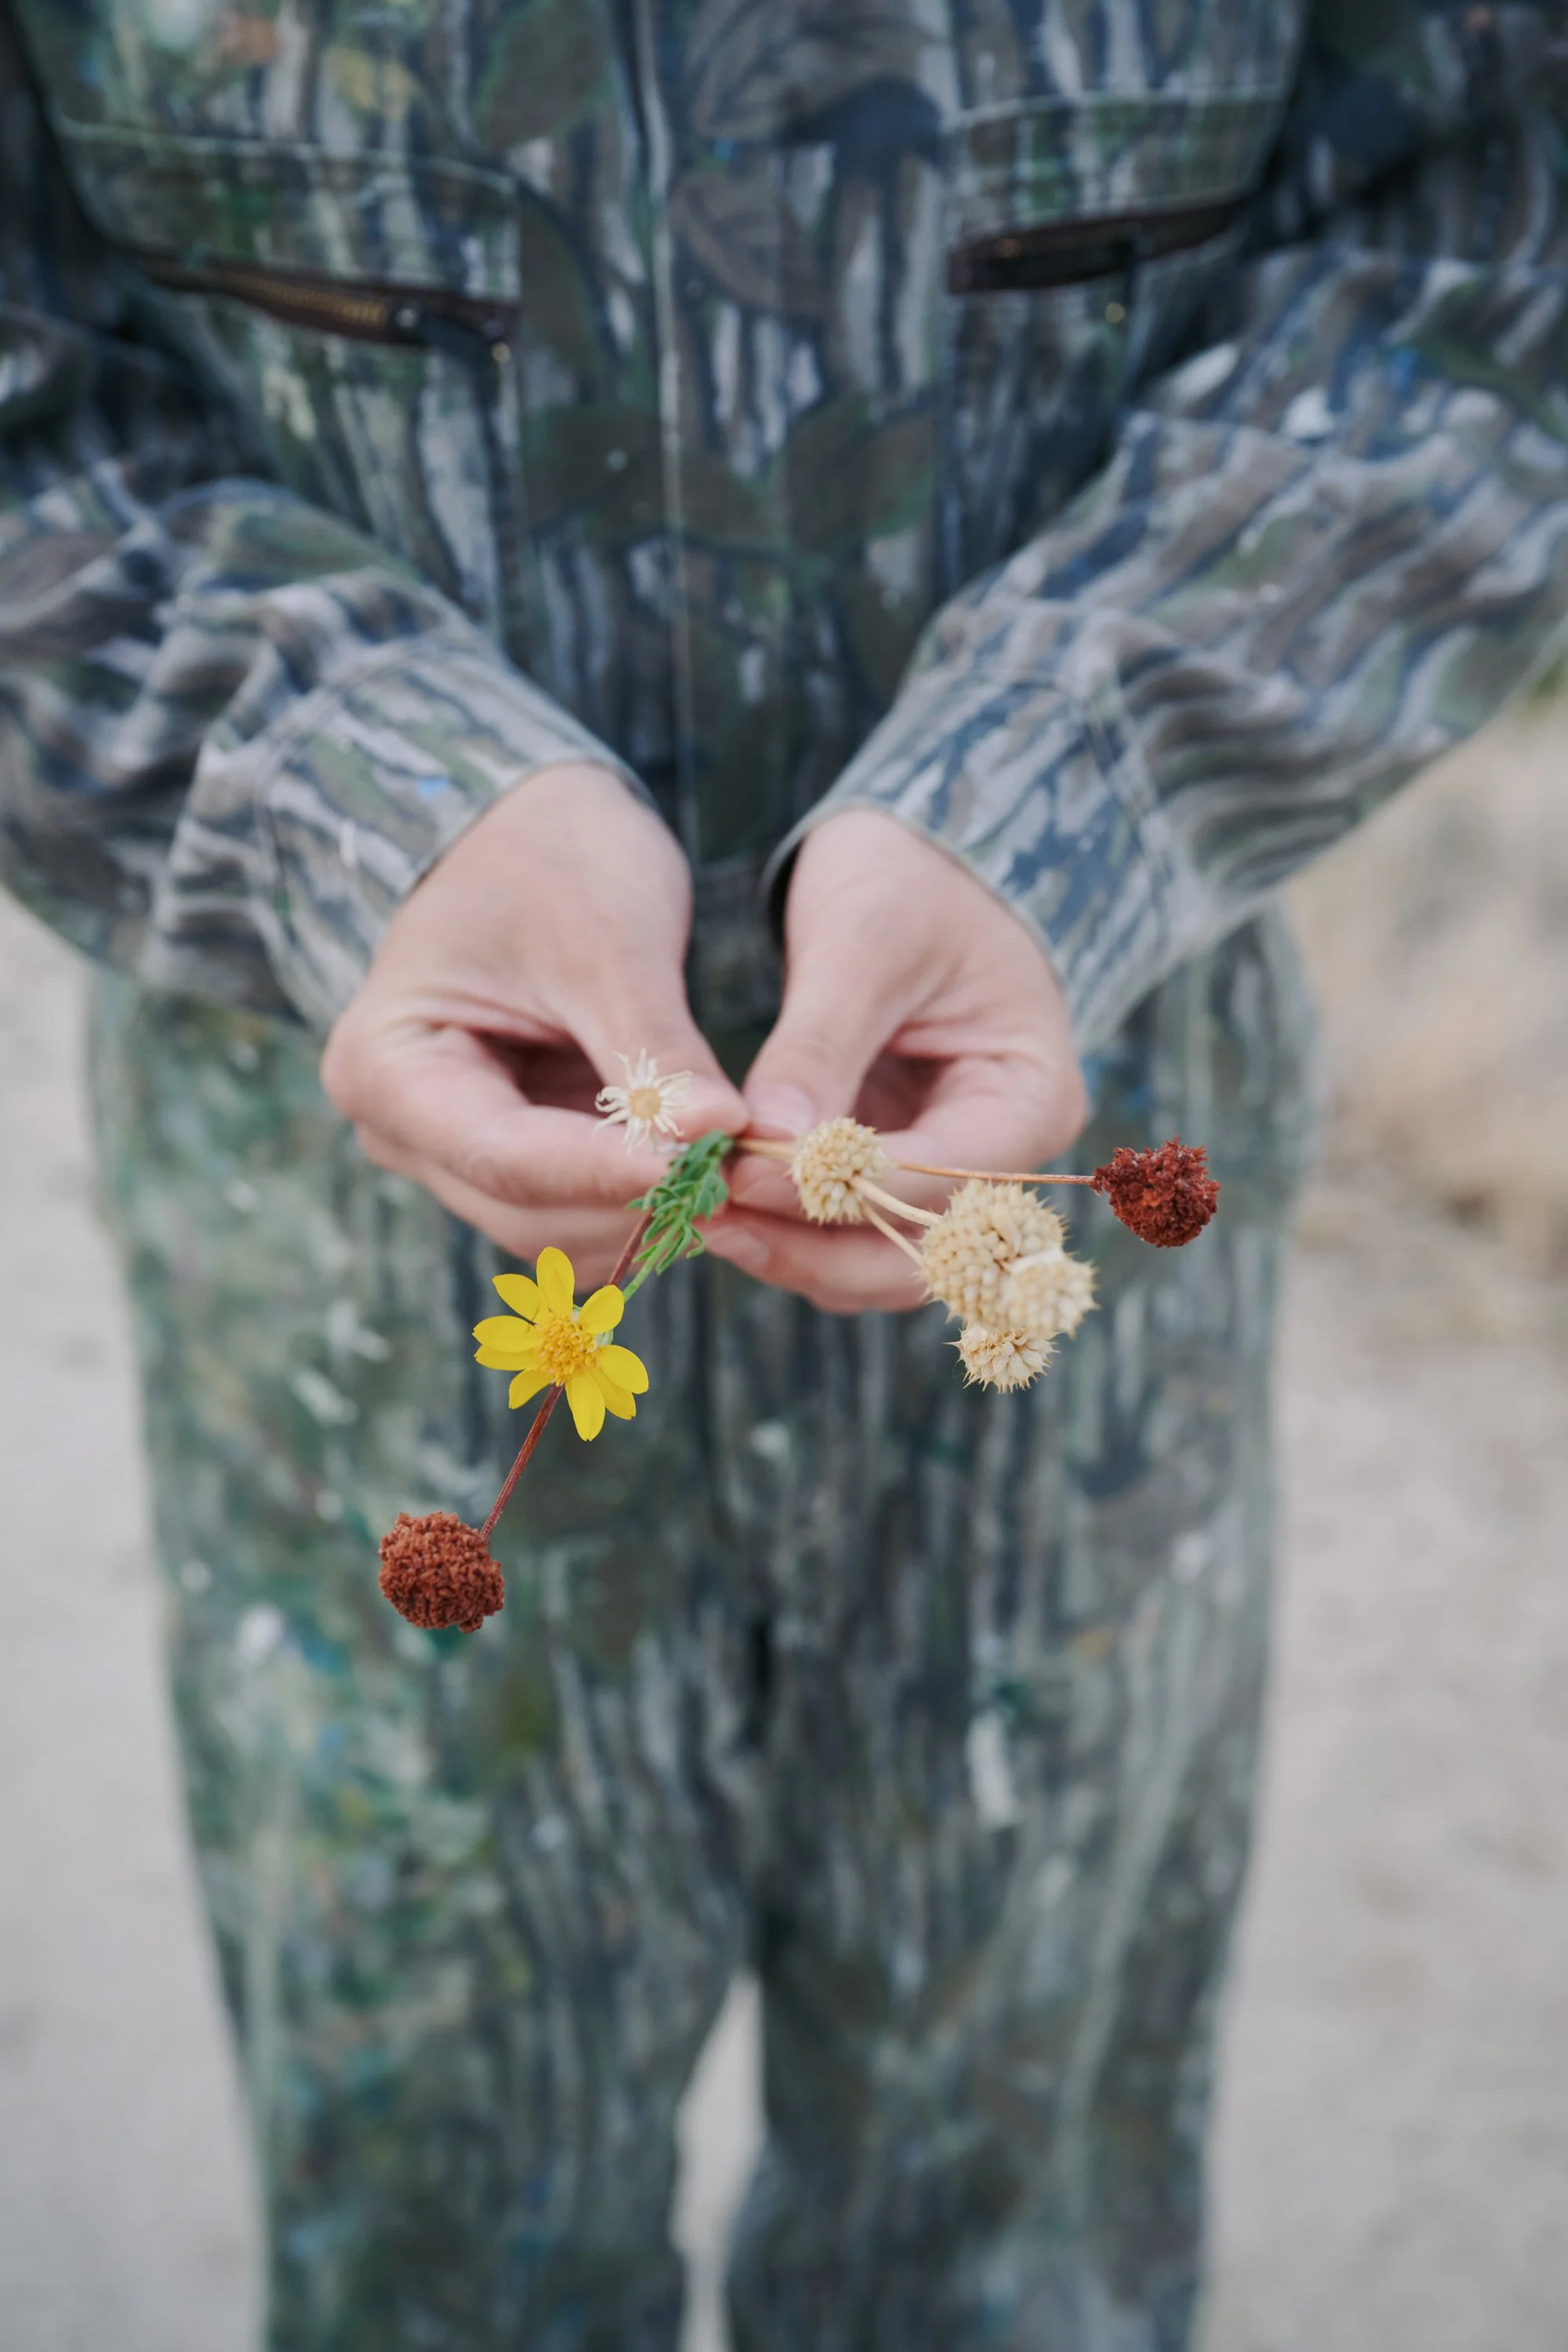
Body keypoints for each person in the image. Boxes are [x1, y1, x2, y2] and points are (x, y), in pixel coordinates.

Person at [1, 2, 1563, 2343]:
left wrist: (1072, 778)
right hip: (356, 1277)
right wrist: (346, 783)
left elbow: (1497, 233)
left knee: (1013, 2244)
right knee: (443, 2251)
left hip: (1072, 1200)